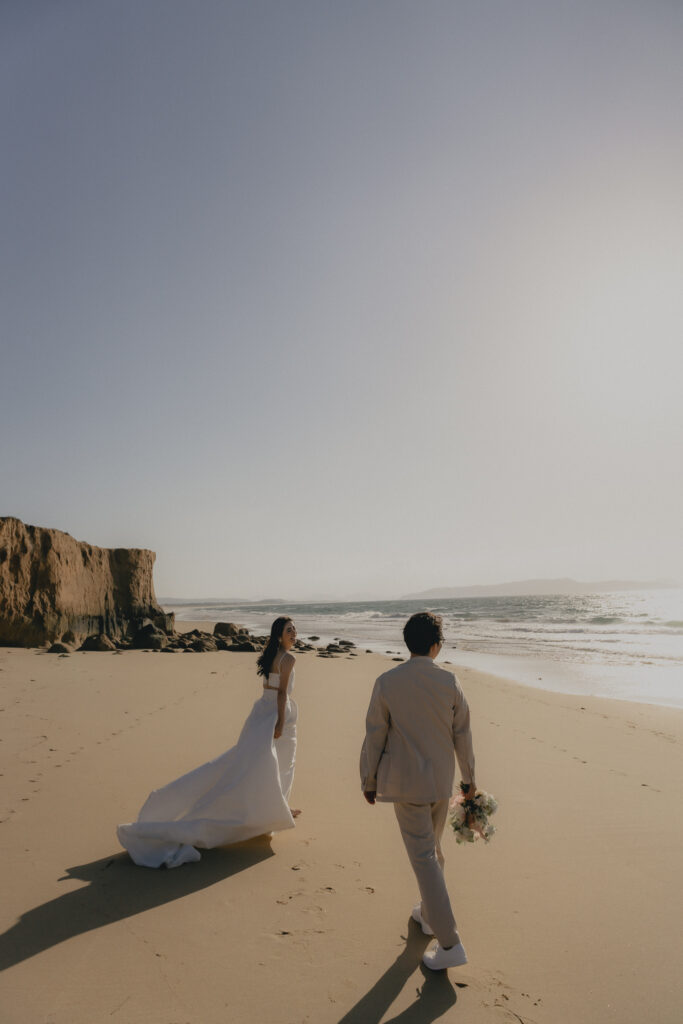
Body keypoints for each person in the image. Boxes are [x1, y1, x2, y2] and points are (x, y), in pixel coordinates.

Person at [117, 616, 300, 868]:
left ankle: (278, 809)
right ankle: (274, 811)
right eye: (289, 630)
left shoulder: (270, 655)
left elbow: (269, 690)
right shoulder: (288, 659)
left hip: (259, 714)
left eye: (295, 629)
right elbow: (281, 694)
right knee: (277, 763)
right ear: (279, 634)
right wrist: (279, 723)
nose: (294, 633)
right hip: (275, 717)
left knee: (251, 766)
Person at [360, 611, 477, 970]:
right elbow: (462, 733)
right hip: (441, 782)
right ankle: (428, 914)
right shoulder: (449, 681)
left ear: (408, 643)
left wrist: (368, 779)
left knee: (425, 857)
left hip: (406, 783)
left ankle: (450, 942)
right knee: (433, 852)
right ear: (436, 645)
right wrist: (469, 780)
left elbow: (375, 734)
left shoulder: (387, 681)